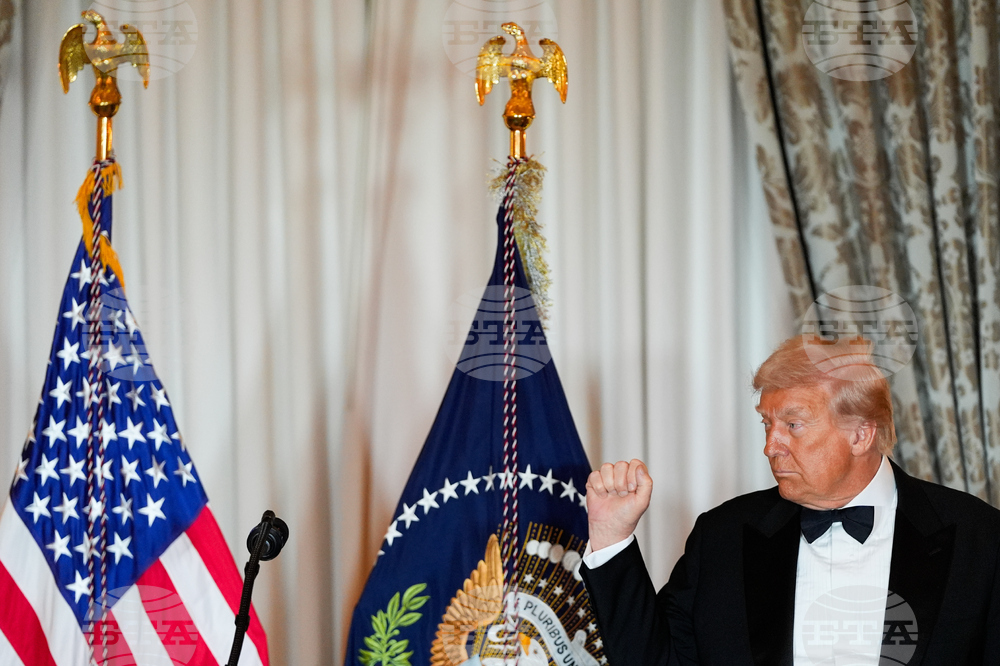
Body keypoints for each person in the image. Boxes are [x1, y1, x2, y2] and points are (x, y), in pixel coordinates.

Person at [580, 335, 1000, 665]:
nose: (770, 447)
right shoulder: (723, 537)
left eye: (793, 424)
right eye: (767, 424)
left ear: (860, 434)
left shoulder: (980, 539)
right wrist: (612, 537)